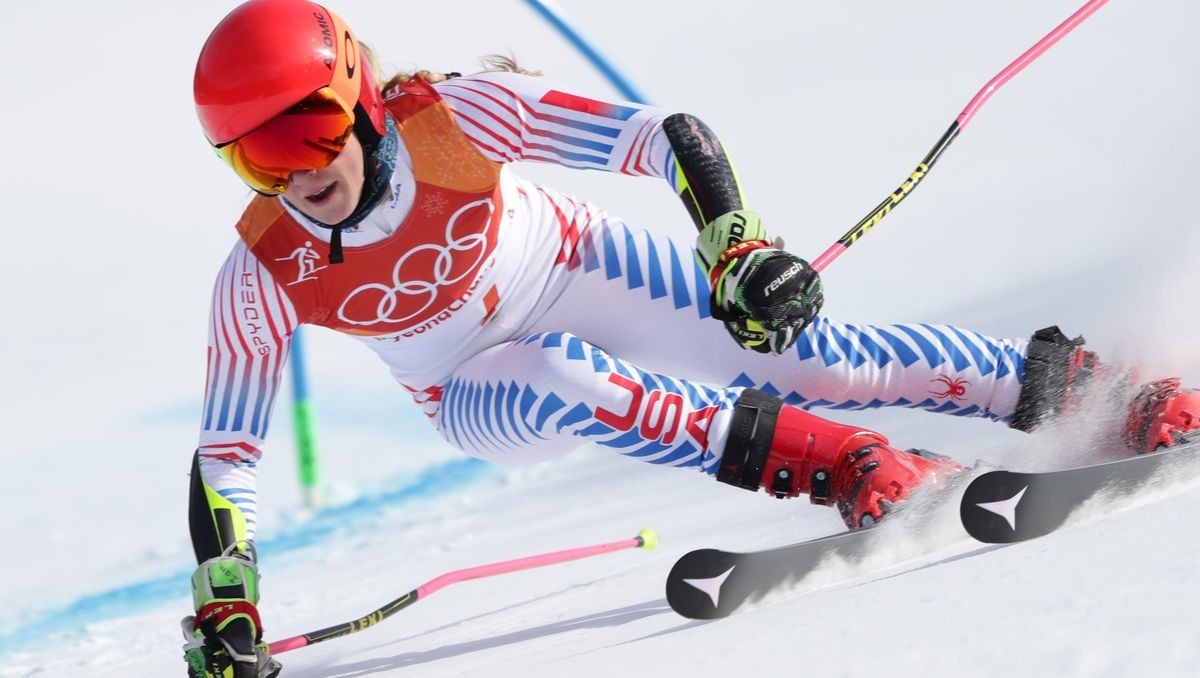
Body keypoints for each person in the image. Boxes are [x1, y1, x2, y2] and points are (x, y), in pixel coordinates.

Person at [183, 1, 1200, 675]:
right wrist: (228, 596)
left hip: (577, 266)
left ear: (359, 96)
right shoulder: (263, 270)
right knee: (555, 376)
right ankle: (850, 465)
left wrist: (734, 249)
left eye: (308, 130)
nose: (297, 173)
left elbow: (664, 134)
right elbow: (227, 451)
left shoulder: (454, 119)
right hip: (467, 384)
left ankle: (1101, 394)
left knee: (816, 359)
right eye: (257, 157)